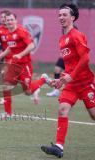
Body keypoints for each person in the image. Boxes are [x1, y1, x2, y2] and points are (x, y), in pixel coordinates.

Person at [41, 3, 95, 158]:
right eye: (59, 15)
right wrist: (61, 80)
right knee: (62, 109)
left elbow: (85, 58)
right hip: (71, 84)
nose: (61, 17)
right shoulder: (62, 39)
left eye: (65, 15)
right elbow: (70, 65)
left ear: (73, 17)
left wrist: (71, 76)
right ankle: (59, 146)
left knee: (93, 115)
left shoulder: (76, 35)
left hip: (85, 82)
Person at [0, 11, 51, 115]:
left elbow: (31, 46)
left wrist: (20, 54)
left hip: (25, 65)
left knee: (28, 91)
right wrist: (1, 56)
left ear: (15, 21)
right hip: (13, 65)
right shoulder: (7, 33)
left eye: (12, 20)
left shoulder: (22, 31)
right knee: (6, 85)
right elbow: (10, 47)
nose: (10, 22)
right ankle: (8, 114)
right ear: (5, 22)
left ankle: (43, 79)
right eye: (8, 20)